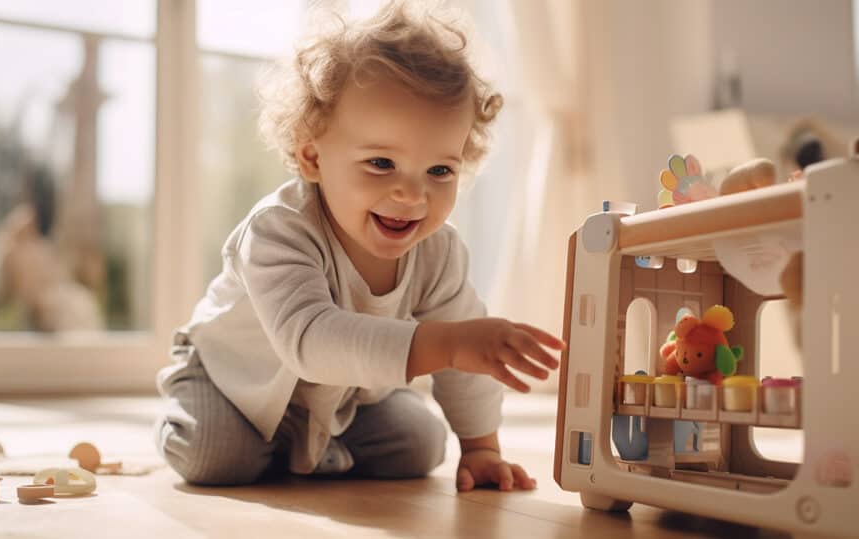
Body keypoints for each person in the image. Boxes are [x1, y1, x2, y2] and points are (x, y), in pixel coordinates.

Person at [155, 0, 564, 493]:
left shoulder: (438, 252)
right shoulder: (278, 232)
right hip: (233, 385)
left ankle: (306, 448)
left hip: (336, 401)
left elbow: (466, 365)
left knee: (421, 444)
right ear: (312, 158)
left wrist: (481, 448)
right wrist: (451, 344)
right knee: (216, 459)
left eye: (440, 170)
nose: (412, 195)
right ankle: (263, 439)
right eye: (381, 163)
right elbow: (311, 341)